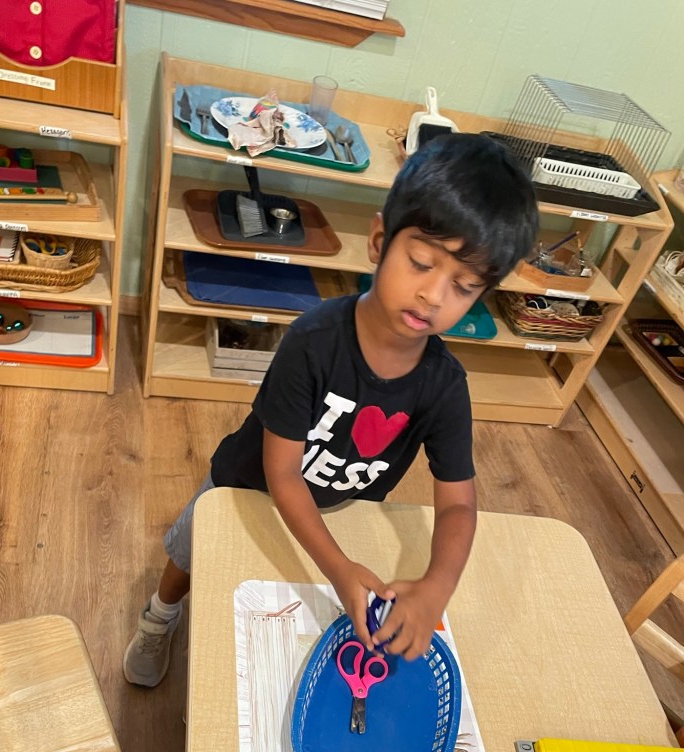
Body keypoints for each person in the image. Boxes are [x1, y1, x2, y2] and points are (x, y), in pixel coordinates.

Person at [124, 132, 539, 688]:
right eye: (421, 262)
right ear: (378, 241)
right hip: (246, 484)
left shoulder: (444, 385)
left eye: (464, 287)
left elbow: (459, 504)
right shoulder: (313, 341)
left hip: (339, 507)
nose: (434, 296)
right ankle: (159, 616)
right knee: (190, 552)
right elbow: (281, 472)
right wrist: (340, 567)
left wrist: (438, 585)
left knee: (276, 604)